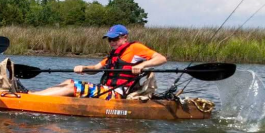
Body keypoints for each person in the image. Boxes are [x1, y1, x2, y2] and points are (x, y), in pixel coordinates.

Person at [33, 24, 167, 99]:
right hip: (108, 89)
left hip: (118, 94)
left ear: (125, 37)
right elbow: (96, 68)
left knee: (72, 88)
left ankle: (35, 99)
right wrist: (84, 68)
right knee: (69, 81)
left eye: (115, 39)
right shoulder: (114, 54)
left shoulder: (135, 48)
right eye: (110, 40)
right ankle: (34, 94)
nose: (112, 42)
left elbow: (161, 58)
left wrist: (142, 65)